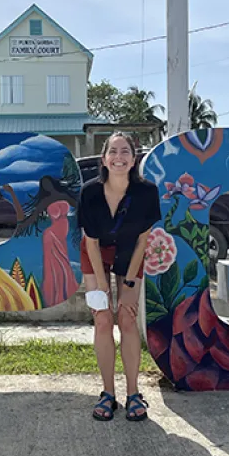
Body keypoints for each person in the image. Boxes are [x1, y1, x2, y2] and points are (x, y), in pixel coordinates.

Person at [78, 133, 161, 422]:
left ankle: (134, 394)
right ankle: (108, 394)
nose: (119, 157)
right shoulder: (89, 192)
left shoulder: (147, 192)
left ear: (133, 159)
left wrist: (126, 284)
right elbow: (90, 242)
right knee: (102, 319)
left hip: (130, 255)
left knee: (127, 317)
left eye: (125, 151)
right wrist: (102, 286)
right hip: (95, 254)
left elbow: (142, 241)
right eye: (113, 151)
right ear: (104, 159)